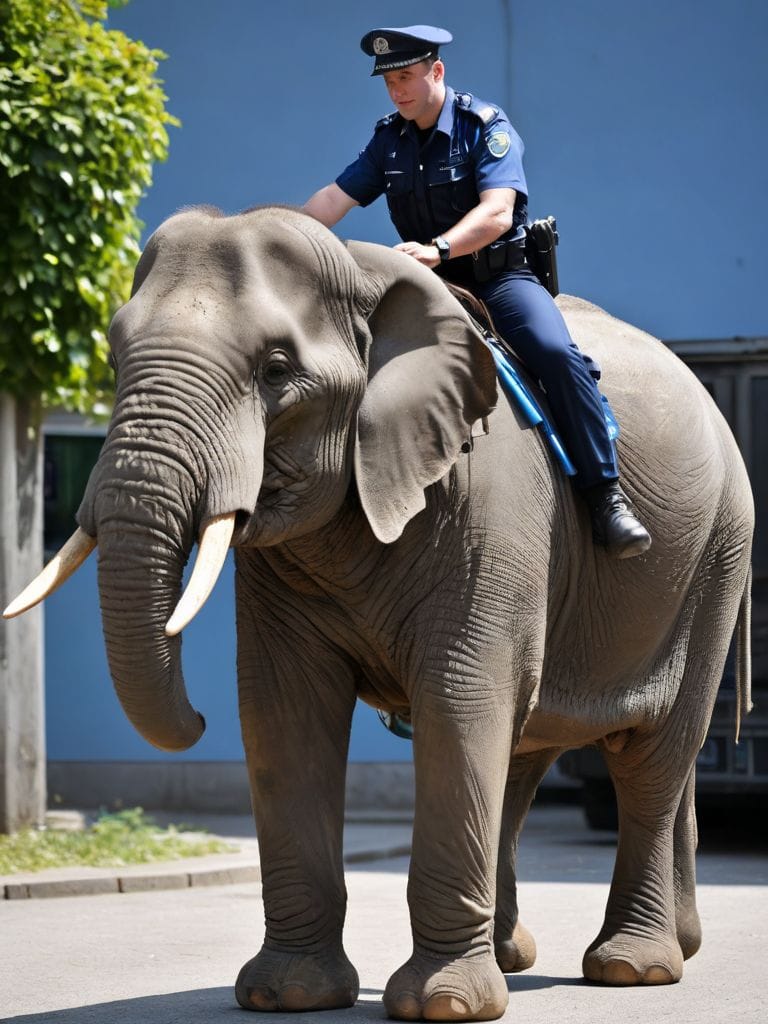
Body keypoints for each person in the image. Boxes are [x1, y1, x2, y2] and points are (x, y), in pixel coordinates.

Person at [303, 25, 651, 559]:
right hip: (432, 285)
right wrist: (280, 239)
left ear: (435, 72)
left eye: (406, 77)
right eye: (389, 82)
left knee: (555, 353)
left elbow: (497, 212)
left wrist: (438, 248)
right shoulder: (387, 141)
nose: (397, 91)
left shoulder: (484, 127)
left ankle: (606, 496)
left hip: (497, 279)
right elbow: (333, 199)